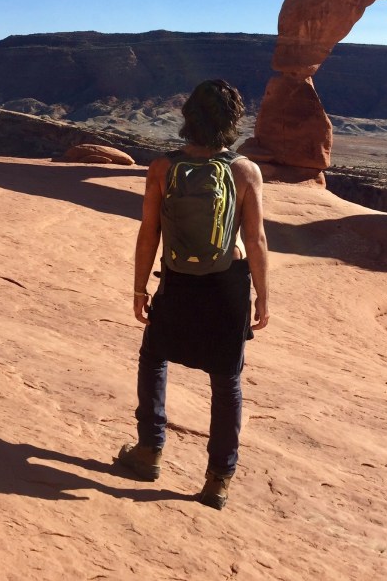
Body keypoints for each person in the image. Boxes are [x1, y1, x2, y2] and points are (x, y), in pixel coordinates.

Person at [118, 79, 270, 510]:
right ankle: (218, 479)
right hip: (227, 283)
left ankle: (149, 450)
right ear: (232, 121)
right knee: (227, 381)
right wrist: (263, 295)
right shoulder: (245, 171)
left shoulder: (162, 167)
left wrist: (139, 287)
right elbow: (255, 238)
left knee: (154, 357)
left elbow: (149, 232)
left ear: (188, 116)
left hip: (178, 278)